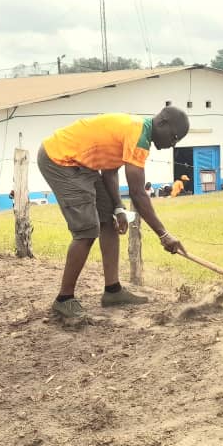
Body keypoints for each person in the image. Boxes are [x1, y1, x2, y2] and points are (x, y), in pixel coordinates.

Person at [37, 108, 188, 319]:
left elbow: (109, 171)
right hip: (61, 160)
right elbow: (137, 194)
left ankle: (113, 291)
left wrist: (118, 208)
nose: (173, 144)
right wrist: (163, 234)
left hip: (82, 163)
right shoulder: (138, 134)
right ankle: (64, 299)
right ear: (162, 122)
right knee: (87, 230)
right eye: (174, 137)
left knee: (109, 219)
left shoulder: (138, 132)